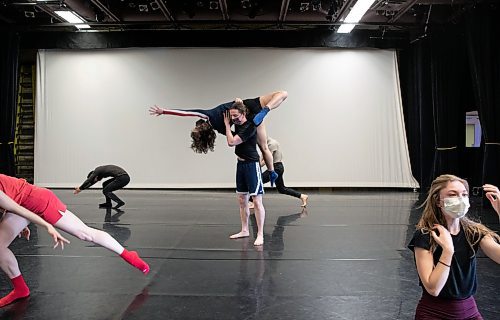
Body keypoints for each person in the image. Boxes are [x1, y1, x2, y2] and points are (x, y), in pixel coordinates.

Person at [0, 174, 149, 308]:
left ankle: (128, 255)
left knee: (85, 234)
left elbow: (16, 207)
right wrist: (17, 223)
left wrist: (46, 225)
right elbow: (11, 200)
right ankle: (20, 289)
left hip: (38, 201)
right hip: (21, 205)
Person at [408, 174, 500, 319]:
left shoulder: (473, 232)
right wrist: (448, 251)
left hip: (469, 311)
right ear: (438, 201)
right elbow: (433, 288)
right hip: (435, 313)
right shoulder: (426, 235)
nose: (461, 199)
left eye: (464, 194)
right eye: (453, 194)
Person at [149, 91, 288, 186]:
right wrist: (164, 111)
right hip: (246, 107)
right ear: (201, 123)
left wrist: (242, 128)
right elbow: (187, 113)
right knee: (282, 94)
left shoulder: (220, 129)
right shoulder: (208, 115)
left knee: (263, 147)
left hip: (247, 121)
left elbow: (235, 138)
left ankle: (271, 172)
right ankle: (266, 110)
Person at [223, 101, 266, 246]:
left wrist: (227, 125)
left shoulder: (249, 126)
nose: (233, 118)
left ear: (244, 114)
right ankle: (244, 230)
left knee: (256, 200)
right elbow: (238, 101)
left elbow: (231, 142)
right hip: (240, 164)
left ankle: (260, 234)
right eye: (231, 116)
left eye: (236, 116)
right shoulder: (238, 124)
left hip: (252, 165)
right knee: (242, 200)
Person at [248, 137, 308, 209]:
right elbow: (263, 156)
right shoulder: (265, 144)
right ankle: (302, 196)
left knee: (257, 181)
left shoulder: (272, 144)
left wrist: (257, 166)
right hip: (277, 167)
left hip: (276, 168)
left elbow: (267, 158)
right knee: (281, 189)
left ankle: (253, 202)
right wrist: (258, 165)